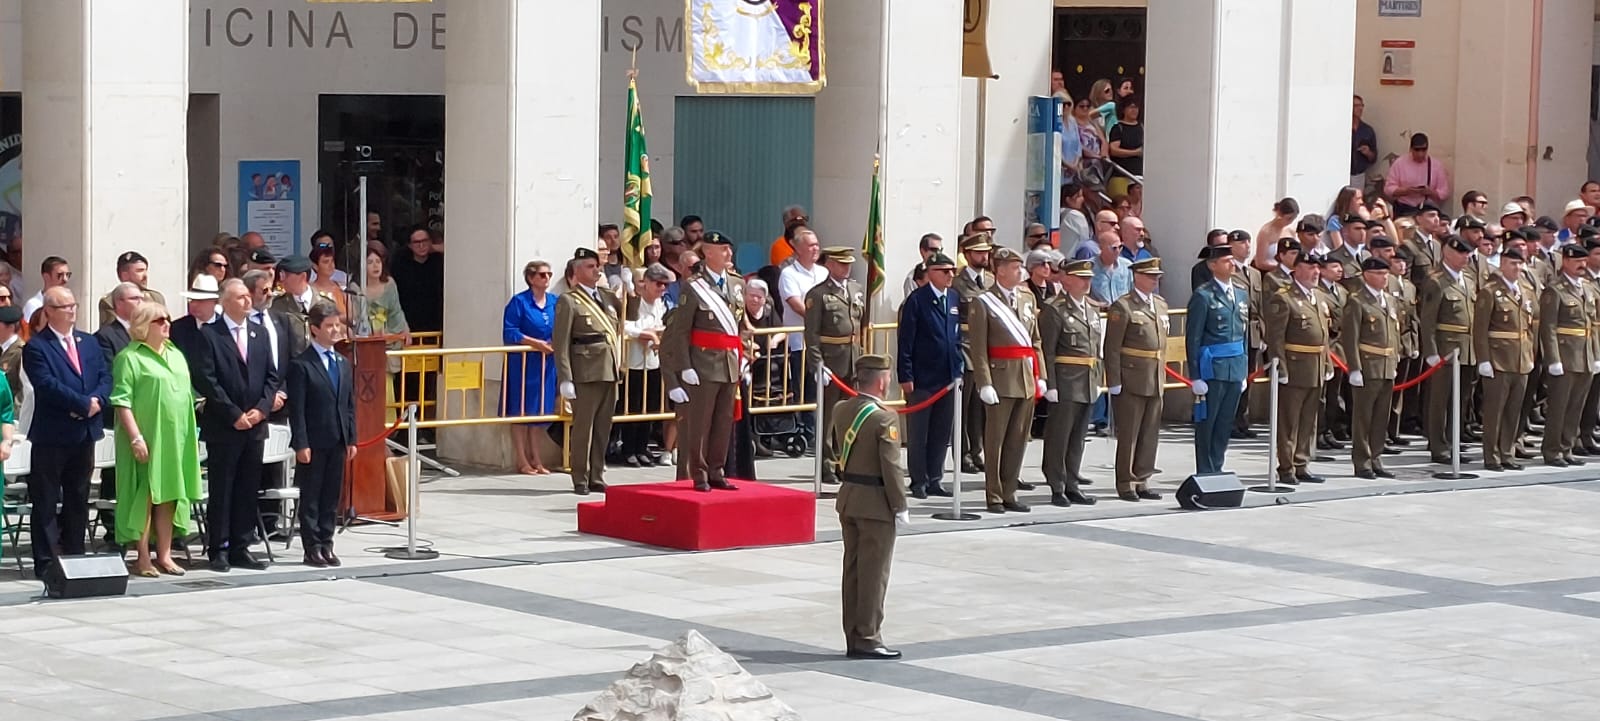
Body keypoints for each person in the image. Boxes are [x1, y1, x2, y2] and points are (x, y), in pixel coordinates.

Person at [22, 287, 111, 578]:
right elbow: (46, 384)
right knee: (46, 500)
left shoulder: (88, 342)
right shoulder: (37, 347)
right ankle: (46, 561)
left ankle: (75, 555)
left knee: (78, 497)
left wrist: (96, 401)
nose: (72, 311)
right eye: (64, 307)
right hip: (52, 435)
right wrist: (82, 404)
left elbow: (104, 376)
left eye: (73, 305)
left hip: (84, 433)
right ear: (49, 311)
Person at [192, 279, 279, 572]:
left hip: (255, 426)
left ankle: (242, 546)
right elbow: (207, 379)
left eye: (247, 296)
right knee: (223, 488)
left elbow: (271, 376)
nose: (247, 301)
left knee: (248, 487)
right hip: (225, 426)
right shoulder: (210, 335)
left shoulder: (259, 333)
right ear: (225, 302)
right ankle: (219, 548)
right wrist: (233, 414)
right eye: (240, 297)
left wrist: (261, 409)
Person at [111, 302, 201, 577]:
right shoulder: (129, 357)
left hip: (176, 437)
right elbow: (121, 400)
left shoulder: (175, 354)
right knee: (146, 495)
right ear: (143, 325)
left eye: (167, 319)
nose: (166, 324)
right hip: (146, 436)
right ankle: (142, 557)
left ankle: (165, 554)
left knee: (170, 493)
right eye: (159, 320)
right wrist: (135, 437)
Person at [832, 354, 907, 661]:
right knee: (874, 574)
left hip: (849, 497)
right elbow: (891, 466)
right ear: (881, 382)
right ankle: (868, 636)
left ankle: (853, 633)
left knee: (852, 571)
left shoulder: (841, 409)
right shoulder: (884, 418)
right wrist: (900, 504)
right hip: (876, 504)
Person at [663, 231, 750, 492]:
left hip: (729, 363)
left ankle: (717, 470)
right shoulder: (694, 287)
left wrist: (743, 356)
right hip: (702, 364)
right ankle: (699, 473)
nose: (729, 253)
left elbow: (738, 326)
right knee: (700, 423)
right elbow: (681, 331)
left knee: (723, 421)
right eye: (723, 249)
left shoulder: (737, 284)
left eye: (729, 249)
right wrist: (685, 366)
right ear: (709, 252)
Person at [969, 247, 1044, 514]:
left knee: (1018, 440)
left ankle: (1010, 491)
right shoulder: (983, 302)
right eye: (1014, 267)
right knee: (996, 441)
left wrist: (1041, 376)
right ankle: (994, 495)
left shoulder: (1027, 298)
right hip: (1000, 378)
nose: (1020, 272)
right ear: (1000, 271)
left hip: (1025, 377)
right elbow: (978, 348)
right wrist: (984, 382)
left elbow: (1036, 341)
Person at [287, 302, 356, 568]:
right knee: (312, 496)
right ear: (315, 329)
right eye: (329, 326)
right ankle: (312, 546)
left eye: (337, 325)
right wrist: (301, 443)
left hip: (337, 438)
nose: (335, 330)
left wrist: (351, 438)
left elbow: (348, 404)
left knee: (331, 496)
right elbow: (298, 409)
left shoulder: (342, 363)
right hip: (314, 441)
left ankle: (327, 542)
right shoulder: (302, 365)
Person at [554, 248, 623, 495]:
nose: (596, 270)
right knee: (584, 428)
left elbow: (629, 315)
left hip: (609, 369)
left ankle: (597, 475)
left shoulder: (606, 296)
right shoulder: (569, 300)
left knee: (603, 427)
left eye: (597, 266)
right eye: (590, 266)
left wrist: (631, 290)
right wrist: (565, 378)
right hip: (585, 371)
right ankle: (580, 478)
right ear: (577, 270)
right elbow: (561, 341)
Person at [896, 252, 961, 499]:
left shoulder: (953, 297)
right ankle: (919, 480)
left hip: (948, 377)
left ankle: (935, 478)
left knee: (941, 432)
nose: (950, 275)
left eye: (952, 271)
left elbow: (956, 336)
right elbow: (906, 341)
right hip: (923, 377)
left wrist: (958, 369)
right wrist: (906, 375)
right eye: (945, 271)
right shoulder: (917, 300)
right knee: (919, 433)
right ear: (931, 272)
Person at [1264, 254, 1333, 484]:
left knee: (1309, 420)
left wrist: (1327, 362)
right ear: (1297, 269)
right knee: (1289, 421)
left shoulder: (1319, 296)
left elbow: (1324, 335)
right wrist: (1280, 368)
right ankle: (1286, 467)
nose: (1316, 272)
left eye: (1318, 268)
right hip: (1295, 367)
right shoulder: (1284, 298)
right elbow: (1275, 337)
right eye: (1310, 268)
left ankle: (1301, 462)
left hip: (1316, 367)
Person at [1104, 258, 1167, 501]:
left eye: (1156, 276)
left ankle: (1143, 479)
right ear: (1137, 276)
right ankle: (1125, 482)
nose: (1154, 280)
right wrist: (1114, 380)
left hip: (1155, 375)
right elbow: (1112, 347)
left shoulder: (1159, 304)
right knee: (1129, 433)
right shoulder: (1123, 307)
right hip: (1132, 377)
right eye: (1150, 275)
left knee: (1149, 433)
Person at [1038, 259, 1100, 507]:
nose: (1086, 283)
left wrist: (1098, 379)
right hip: (1065, 381)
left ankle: (1072, 483)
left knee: (1078, 437)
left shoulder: (1091, 309)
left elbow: (1096, 350)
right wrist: (1050, 384)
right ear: (1067, 280)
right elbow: (1048, 351)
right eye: (1081, 278)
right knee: (1059, 436)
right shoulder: (1055, 310)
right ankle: (1057, 484)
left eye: (1089, 278)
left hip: (1087, 381)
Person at [1187, 246, 1250, 475]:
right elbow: (1193, 338)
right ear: (1212, 265)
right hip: (1212, 368)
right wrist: (1195, 375)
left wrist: (1244, 369)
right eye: (1226, 261)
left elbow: (1244, 334)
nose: (1232, 264)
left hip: (1235, 367)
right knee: (1208, 422)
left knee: (1225, 423)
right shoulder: (1203, 295)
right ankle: (1205, 469)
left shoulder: (1242, 294)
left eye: (1232, 260)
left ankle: (1217, 466)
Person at [805, 247, 866, 485]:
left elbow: (860, 324)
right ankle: (827, 464)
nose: (846, 268)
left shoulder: (856, 289)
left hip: (852, 358)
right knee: (829, 417)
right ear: (829, 264)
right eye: (841, 263)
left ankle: (845, 462)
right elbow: (811, 333)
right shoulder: (818, 294)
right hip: (831, 359)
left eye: (848, 263)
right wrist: (818, 364)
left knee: (849, 415)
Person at [1417, 236, 1478, 464]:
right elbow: (1428, 320)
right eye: (1461, 252)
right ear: (1447, 253)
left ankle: (1453, 441)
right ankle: (1438, 445)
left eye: (1467, 253)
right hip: (1446, 348)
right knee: (1440, 400)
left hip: (1466, 349)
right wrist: (1431, 352)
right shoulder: (1436, 282)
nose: (1466, 257)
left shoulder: (1468, 280)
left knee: (1460, 400)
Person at [1475, 249, 1536, 471]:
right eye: (1512, 263)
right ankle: (1491, 456)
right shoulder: (1490, 291)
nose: (1517, 268)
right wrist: (1483, 359)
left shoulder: (1526, 291)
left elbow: (1530, 327)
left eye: (1520, 264)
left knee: (1513, 410)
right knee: (1495, 411)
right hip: (1498, 359)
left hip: (1521, 359)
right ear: (1502, 264)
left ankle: (1507, 453)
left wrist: (1531, 354)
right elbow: (1480, 329)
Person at [1342, 258, 1402, 479]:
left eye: (1386, 273)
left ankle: (1376, 457)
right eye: (1379, 273)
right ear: (1367, 275)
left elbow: (1394, 333)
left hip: (1386, 365)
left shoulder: (1389, 300)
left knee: (1380, 417)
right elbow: (1351, 337)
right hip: (1368, 365)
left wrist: (1394, 359)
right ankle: (1362, 461)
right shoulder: (1357, 301)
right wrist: (1354, 368)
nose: (1384, 277)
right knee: (1363, 417)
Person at [1538, 245, 1596, 467]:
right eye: (1577, 261)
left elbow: (1592, 326)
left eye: (1584, 260)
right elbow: (1548, 328)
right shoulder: (1555, 290)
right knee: (1559, 406)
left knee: (1575, 407)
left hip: (1585, 355)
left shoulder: (1587, 288)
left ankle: (1567, 447)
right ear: (1566, 261)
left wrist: (1595, 355)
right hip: (1565, 356)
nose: (1582, 265)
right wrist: (1553, 359)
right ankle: (1552, 450)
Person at [503, 260, 559, 475]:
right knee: (521, 410)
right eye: (542, 275)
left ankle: (537, 457)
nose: (546, 279)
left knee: (539, 411)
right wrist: (535, 343)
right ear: (531, 278)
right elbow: (510, 331)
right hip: (524, 363)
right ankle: (522, 458)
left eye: (549, 274)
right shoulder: (519, 302)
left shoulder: (554, 301)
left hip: (546, 363)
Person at [621, 263, 674, 467]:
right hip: (634, 362)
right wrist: (647, 334)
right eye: (658, 284)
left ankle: (642, 448)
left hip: (654, 361)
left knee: (650, 407)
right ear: (647, 283)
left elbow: (665, 326)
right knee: (633, 407)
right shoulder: (633, 303)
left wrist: (654, 333)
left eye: (665, 285)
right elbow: (625, 326)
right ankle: (629, 449)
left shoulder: (662, 304)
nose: (662, 289)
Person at [953, 232, 994, 474]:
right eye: (978, 252)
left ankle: (978, 451)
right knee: (965, 406)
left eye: (986, 252)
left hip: (988, 349)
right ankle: (963, 453)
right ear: (967, 254)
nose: (984, 256)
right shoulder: (957, 283)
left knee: (982, 407)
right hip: (966, 348)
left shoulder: (991, 281)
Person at [390, 225, 445, 334]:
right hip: (409, 321)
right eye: (416, 242)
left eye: (425, 241)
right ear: (410, 245)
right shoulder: (400, 265)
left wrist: (436, 248)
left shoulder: (439, 262)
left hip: (436, 320)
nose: (421, 245)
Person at [1384, 133, 1451, 215]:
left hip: (1427, 209)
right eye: (1417, 150)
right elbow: (1388, 189)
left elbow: (1444, 193)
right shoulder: (1399, 163)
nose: (1420, 154)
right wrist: (1406, 191)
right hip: (1405, 208)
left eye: (1423, 150)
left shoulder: (1436, 165)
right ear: (1411, 149)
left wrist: (1430, 192)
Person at [98, 251, 167, 328]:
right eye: (139, 271)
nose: (145, 276)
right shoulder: (110, 301)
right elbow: (113, 331)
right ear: (125, 276)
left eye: (146, 270)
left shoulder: (156, 298)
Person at [269, 255, 317, 357]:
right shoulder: (277, 305)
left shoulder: (324, 302)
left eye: (286, 275)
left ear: (303, 276)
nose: (282, 279)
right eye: (281, 275)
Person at [1106, 95, 1143, 197]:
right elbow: (1114, 150)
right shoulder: (1118, 128)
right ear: (1123, 109)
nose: (1134, 110)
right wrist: (1135, 152)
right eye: (1131, 107)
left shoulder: (1142, 127)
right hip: (1121, 175)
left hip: (1139, 175)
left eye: (1136, 107)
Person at [21, 256, 71, 323]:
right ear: (46, 277)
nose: (65, 279)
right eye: (60, 275)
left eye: (67, 275)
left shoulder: (69, 305)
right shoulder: (34, 305)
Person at [308, 246, 349, 319]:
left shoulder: (341, 288)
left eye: (332, 261)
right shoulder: (309, 290)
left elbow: (351, 315)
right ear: (315, 266)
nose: (331, 265)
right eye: (326, 262)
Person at [1351, 94, 1378, 191]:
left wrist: (1368, 153)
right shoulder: (1341, 128)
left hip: (1358, 175)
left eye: (1361, 105)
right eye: (1356, 106)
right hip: (1340, 174)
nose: (1360, 108)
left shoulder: (1367, 130)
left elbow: (1374, 157)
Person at [0, 305, 23, 417]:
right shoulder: (2, 349)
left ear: (11, 327)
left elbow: (23, 390)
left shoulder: (20, 352)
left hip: (8, 415)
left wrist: (11, 415)